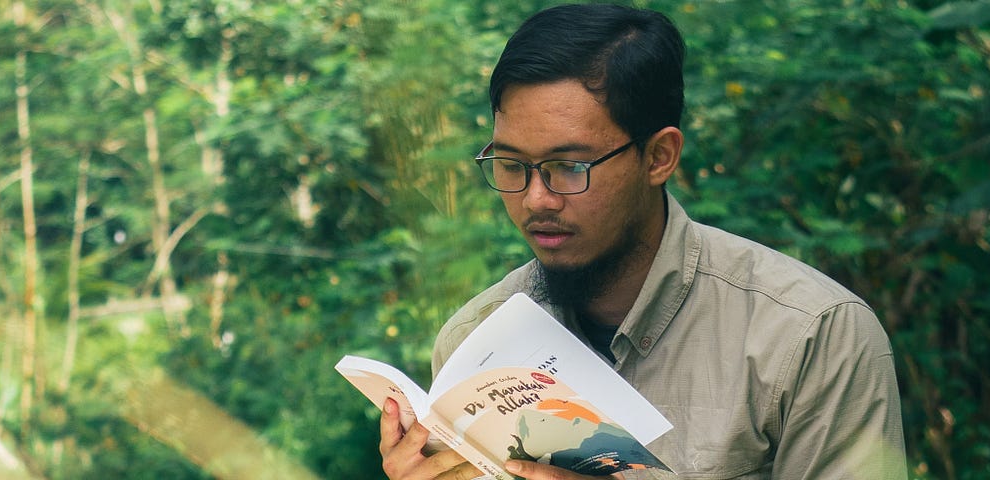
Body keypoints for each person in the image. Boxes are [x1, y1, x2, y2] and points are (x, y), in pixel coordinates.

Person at [378, 4, 905, 479]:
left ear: (658, 158)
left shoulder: (807, 337)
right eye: (513, 165)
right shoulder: (476, 341)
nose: (536, 199)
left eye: (569, 167)